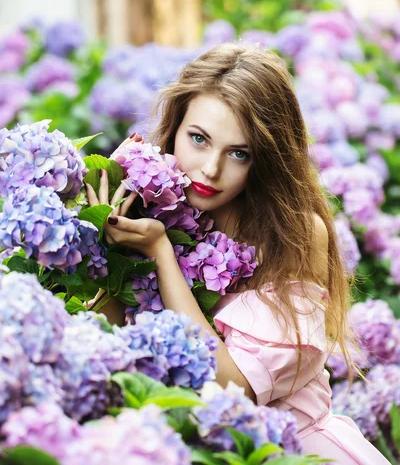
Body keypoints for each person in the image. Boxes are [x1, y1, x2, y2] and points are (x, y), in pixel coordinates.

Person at [86, 43, 390, 464]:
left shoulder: (297, 234)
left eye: (238, 153)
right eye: (198, 139)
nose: (211, 169)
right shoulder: (152, 210)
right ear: (173, 130)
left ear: (266, 158)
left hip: (294, 452)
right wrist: (101, 236)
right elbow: (107, 349)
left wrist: (160, 253)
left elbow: (234, 388)